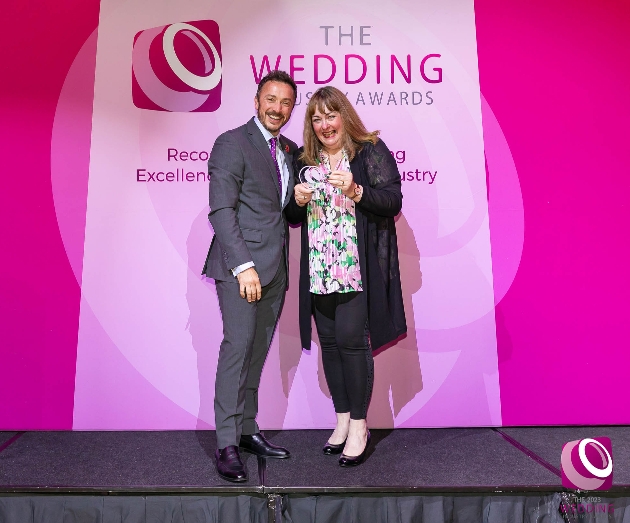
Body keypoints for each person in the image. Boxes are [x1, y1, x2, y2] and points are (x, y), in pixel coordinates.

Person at [286, 86, 406, 467]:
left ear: (344, 116)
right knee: (332, 346)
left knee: (353, 343)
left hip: (354, 268)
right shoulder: (305, 159)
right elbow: (290, 215)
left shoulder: (368, 150)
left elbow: (393, 200)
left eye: (330, 116)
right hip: (320, 269)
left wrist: (356, 190)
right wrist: (297, 202)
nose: (324, 125)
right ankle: (341, 421)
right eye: (316, 119)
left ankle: (359, 425)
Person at [202, 70, 298, 482]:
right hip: (243, 269)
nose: (278, 108)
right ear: (257, 100)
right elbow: (222, 211)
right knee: (237, 350)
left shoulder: (289, 149)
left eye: (286, 103)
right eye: (271, 99)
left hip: (277, 267)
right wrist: (244, 267)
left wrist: (301, 200)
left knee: (257, 353)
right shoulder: (232, 142)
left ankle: (246, 429)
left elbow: (286, 214)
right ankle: (225, 442)